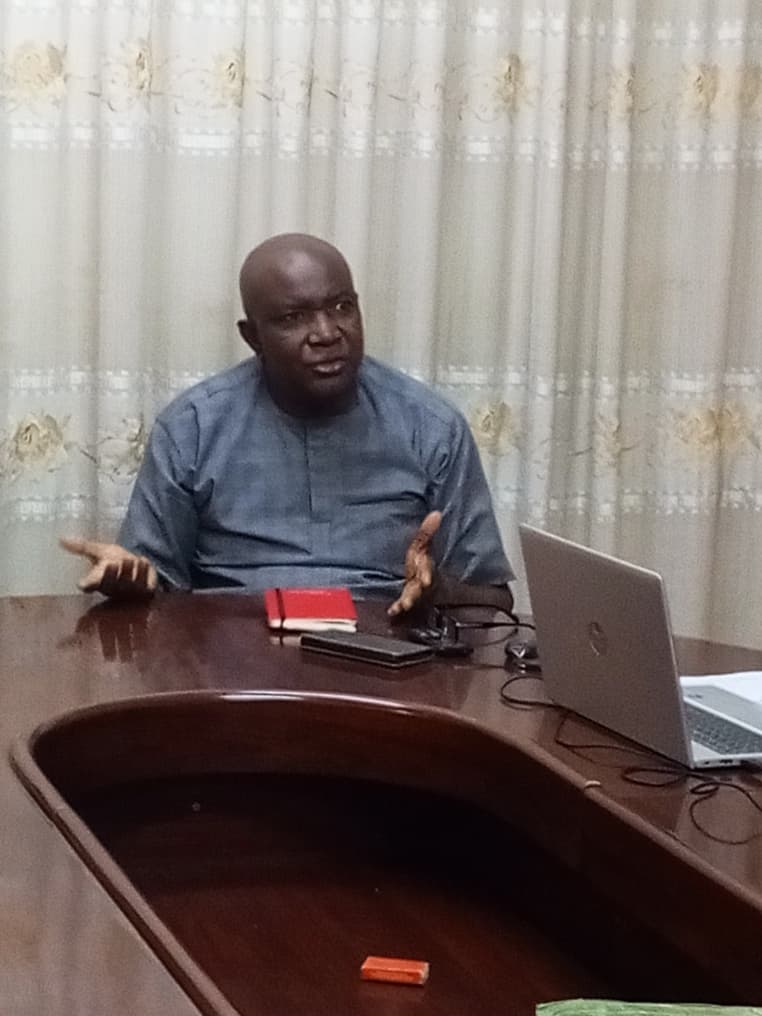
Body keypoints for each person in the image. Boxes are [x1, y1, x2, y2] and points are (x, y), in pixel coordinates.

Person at [62, 234, 513, 615]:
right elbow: (156, 584)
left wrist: (437, 592)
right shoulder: (191, 429)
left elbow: (494, 600)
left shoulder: (431, 427)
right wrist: (135, 583)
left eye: (342, 306)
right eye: (293, 318)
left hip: (385, 650)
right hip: (232, 654)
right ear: (252, 337)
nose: (327, 333)